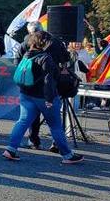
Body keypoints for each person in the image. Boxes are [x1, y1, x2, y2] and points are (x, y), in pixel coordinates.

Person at [3, 31, 84, 164]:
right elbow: (49, 81)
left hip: (26, 94)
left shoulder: (26, 55)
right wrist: (50, 99)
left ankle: (10, 149)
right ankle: (67, 155)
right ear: (44, 42)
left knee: (22, 122)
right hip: (42, 97)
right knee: (55, 126)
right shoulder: (45, 58)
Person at [16, 21, 70, 150]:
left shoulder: (25, 44)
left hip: (31, 85)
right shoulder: (56, 42)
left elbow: (17, 62)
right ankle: (58, 145)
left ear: (30, 32)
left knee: (29, 117)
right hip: (52, 83)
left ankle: (31, 141)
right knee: (55, 119)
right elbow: (66, 59)